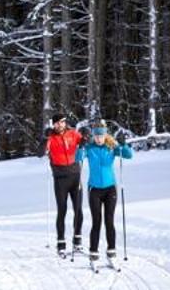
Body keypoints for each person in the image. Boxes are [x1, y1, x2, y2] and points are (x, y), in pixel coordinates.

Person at [80, 123, 133, 265]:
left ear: (105, 136)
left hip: (110, 190)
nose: (98, 139)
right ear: (94, 136)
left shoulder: (111, 147)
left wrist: (124, 144)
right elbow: (78, 158)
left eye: (101, 136)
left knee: (109, 221)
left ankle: (111, 253)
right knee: (96, 222)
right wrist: (80, 145)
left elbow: (128, 155)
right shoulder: (89, 148)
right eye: (96, 136)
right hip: (94, 190)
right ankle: (93, 254)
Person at [45, 114, 85, 255]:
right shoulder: (50, 137)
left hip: (75, 176)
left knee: (78, 210)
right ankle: (61, 243)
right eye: (57, 123)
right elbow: (40, 152)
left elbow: (86, 141)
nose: (60, 125)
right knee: (62, 211)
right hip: (60, 179)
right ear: (54, 125)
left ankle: (77, 241)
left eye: (62, 122)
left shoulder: (73, 134)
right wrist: (44, 139)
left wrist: (85, 135)